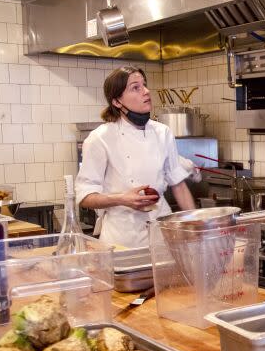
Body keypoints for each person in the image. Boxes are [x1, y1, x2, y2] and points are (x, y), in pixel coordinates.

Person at [76, 66, 196, 248]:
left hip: (162, 234)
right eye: (135, 88)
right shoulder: (100, 138)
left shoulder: (162, 132)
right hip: (122, 239)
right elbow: (85, 196)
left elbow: (178, 184)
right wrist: (122, 199)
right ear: (117, 101)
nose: (146, 91)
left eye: (144, 85)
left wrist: (195, 226)